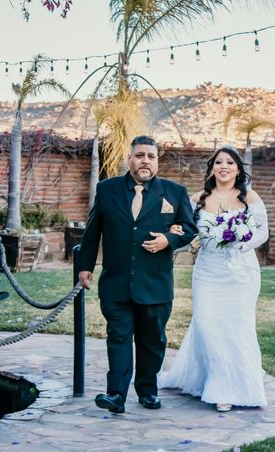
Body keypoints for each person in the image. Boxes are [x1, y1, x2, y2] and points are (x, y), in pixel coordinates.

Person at [78, 135, 198, 414]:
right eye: (140, 155)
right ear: (130, 159)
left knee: (152, 340)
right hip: (116, 282)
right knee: (118, 337)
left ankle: (147, 391)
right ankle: (116, 395)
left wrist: (169, 240)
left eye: (151, 156)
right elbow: (93, 230)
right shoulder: (107, 190)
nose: (145, 161)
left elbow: (190, 230)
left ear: (157, 161)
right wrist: (85, 265)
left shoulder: (174, 192)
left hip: (155, 283)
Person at [159, 145, 269, 412]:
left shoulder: (249, 197)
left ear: (237, 168)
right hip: (208, 271)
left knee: (236, 327)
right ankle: (211, 379)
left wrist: (239, 243)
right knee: (207, 324)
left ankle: (228, 389)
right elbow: (183, 228)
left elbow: (262, 232)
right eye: (219, 162)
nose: (224, 167)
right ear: (212, 168)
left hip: (241, 272)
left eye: (230, 163)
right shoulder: (198, 198)